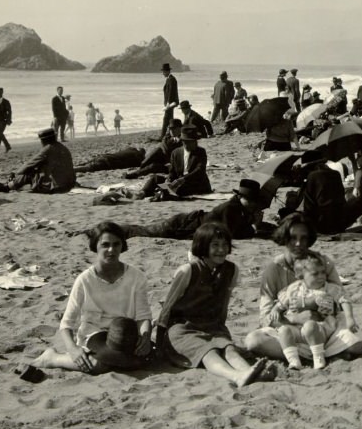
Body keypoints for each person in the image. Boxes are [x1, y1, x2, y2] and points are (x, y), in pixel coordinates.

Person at [155, 222, 272, 387]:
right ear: (202, 246)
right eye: (215, 245)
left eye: (225, 245)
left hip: (212, 325)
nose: (222, 250)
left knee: (228, 349)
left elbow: (224, 303)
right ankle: (236, 376)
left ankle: (249, 372)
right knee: (208, 352)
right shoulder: (188, 271)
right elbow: (167, 308)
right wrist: (160, 343)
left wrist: (221, 330)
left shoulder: (231, 270)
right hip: (182, 329)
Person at [30, 221, 152, 374]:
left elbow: (143, 316)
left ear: (123, 246)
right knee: (97, 366)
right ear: (95, 246)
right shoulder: (85, 280)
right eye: (105, 245)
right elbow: (66, 323)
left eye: (116, 244)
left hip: (124, 334)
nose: (111, 250)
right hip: (95, 334)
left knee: (144, 362)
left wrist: (145, 337)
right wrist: (73, 349)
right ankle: (53, 358)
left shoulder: (136, 277)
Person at [244, 213, 362, 363]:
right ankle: (324, 355)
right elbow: (265, 317)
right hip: (290, 331)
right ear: (284, 238)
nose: (298, 243)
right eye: (292, 238)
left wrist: (319, 309)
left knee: (357, 345)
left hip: (324, 329)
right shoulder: (274, 269)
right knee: (254, 341)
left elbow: (340, 302)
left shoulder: (323, 263)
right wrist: (294, 318)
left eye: (304, 238)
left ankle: (310, 354)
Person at [270, 253, 357, 370]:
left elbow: (344, 300)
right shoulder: (293, 289)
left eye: (323, 272)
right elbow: (281, 304)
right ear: (300, 276)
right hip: (297, 328)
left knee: (310, 325)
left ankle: (318, 357)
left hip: (321, 328)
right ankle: (294, 361)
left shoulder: (329, 288)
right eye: (315, 274)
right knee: (284, 330)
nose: (321, 276)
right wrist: (275, 310)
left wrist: (350, 318)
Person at [115, 178, 266, 242]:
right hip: (183, 225)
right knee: (146, 232)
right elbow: (231, 234)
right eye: (250, 200)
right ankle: (114, 230)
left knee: (146, 230)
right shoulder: (230, 208)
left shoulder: (240, 209)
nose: (253, 204)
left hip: (189, 224)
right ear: (240, 197)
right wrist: (255, 226)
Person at [0, 128, 76, 193]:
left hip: (58, 186)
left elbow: (29, 164)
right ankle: (12, 185)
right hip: (69, 182)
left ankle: (7, 187)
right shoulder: (62, 147)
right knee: (36, 171)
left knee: (28, 174)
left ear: (44, 140)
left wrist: (15, 174)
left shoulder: (47, 149)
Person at [138, 125, 211, 200]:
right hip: (178, 181)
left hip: (195, 183)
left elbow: (199, 170)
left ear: (195, 141)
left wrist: (183, 179)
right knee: (155, 179)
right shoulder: (176, 152)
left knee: (177, 189)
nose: (187, 145)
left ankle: (160, 194)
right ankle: (142, 193)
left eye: (189, 142)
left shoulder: (200, 152)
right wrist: (169, 180)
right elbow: (172, 171)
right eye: (185, 142)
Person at [295, 150, 350, 233]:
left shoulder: (313, 176)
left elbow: (309, 204)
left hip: (322, 222)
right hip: (340, 220)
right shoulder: (336, 174)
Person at [160, 62, 180, 138]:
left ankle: (163, 136)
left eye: (163, 72)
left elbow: (171, 92)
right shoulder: (170, 79)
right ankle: (171, 133)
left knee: (166, 119)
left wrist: (168, 103)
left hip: (171, 103)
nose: (163, 73)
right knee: (170, 119)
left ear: (167, 71)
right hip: (171, 102)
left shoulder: (171, 79)